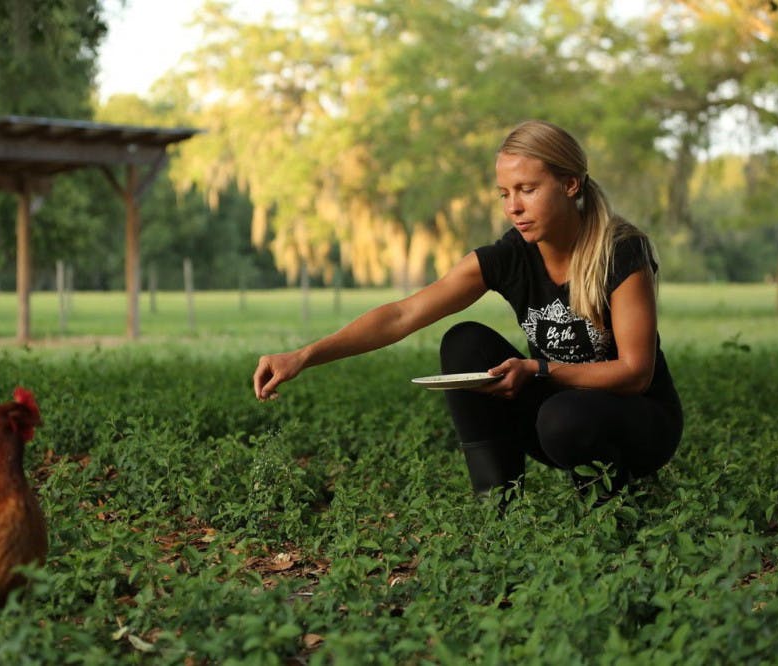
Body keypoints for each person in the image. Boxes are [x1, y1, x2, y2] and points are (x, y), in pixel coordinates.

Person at [252, 120, 683, 505]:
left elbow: (635, 373)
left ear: (570, 185)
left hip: (640, 424)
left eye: (527, 190)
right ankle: (496, 503)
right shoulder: (510, 256)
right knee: (464, 343)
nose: (513, 206)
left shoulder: (621, 250)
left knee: (563, 415)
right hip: (557, 416)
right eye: (504, 193)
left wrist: (537, 369)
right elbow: (402, 315)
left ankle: (611, 508)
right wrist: (304, 356)